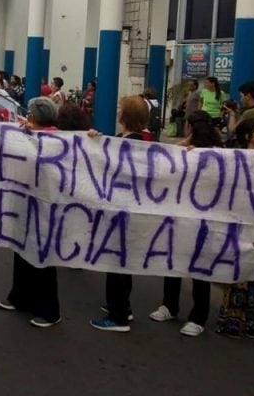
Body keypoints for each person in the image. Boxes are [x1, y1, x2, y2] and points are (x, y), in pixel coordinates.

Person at [147, 110, 223, 337]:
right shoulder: (186, 152)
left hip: (203, 220)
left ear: (190, 127)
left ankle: (194, 316)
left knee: (195, 268)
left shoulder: (217, 156)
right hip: (181, 217)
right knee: (176, 263)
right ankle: (174, 308)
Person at [0, 97, 63, 328]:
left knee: (41, 256)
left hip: (45, 206)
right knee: (22, 249)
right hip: (26, 202)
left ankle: (49, 310)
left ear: (34, 117)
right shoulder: (30, 136)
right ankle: (20, 297)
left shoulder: (58, 140)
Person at [89, 95, 149, 333]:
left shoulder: (131, 143)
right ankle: (122, 306)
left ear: (125, 115)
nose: (117, 112)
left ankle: (119, 317)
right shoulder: (131, 140)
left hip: (122, 212)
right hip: (125, 210)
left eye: (119, 108)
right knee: (122, 263)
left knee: (116, 263)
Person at [214, 118, 254, 339]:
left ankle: (250, 322)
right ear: (248, 137)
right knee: (238, 273)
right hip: (239, 224)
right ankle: (230, 320)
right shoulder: (235, 160)